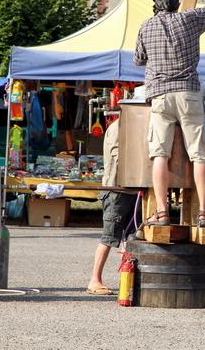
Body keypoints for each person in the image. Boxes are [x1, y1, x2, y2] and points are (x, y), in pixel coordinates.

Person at [133, 0, 205, 227]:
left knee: (159, 155)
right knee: (199, 155)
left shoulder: (146, 26)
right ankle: (203, 214)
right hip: (188, 93)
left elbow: (138, 59)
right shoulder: (189, 19)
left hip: (160, 95)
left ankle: (162, 212)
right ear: (176, 6)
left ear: (156, 7)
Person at [87, 120, 139, 295]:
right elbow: (118, 158)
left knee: (132, 237)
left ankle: (127, 279)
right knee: (109, 236)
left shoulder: (131, 125)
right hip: (116, 190)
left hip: (132, 190)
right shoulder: (119, 127)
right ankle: (94, 280)